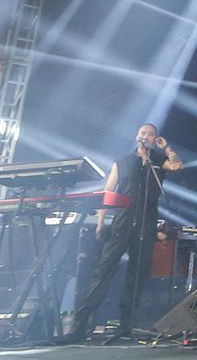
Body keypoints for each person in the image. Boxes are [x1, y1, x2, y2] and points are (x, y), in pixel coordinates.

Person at [65, 123, 182, 341]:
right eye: (143, 133)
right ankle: (80, 324)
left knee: (137, 275)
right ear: (137, 136)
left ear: (155, 138)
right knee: (104, 269)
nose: (146, 137)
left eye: (151, 134)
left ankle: (126, 325)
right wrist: (101, 222)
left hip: (147, 221)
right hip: (122, 221)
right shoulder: (123, 161)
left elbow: (177, 166)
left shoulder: (157, 161)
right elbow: (108, 191)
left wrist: (167, 149)